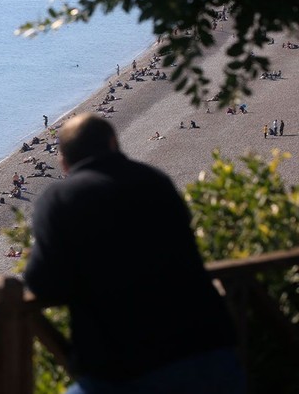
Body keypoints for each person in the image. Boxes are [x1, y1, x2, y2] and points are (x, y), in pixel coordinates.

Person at [24, 114, 242, 394]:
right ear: (114, 144)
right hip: (210, 350)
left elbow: (42, 282)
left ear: (64, 162)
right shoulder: (156, 180)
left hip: (124, 367)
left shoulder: (58, 199)